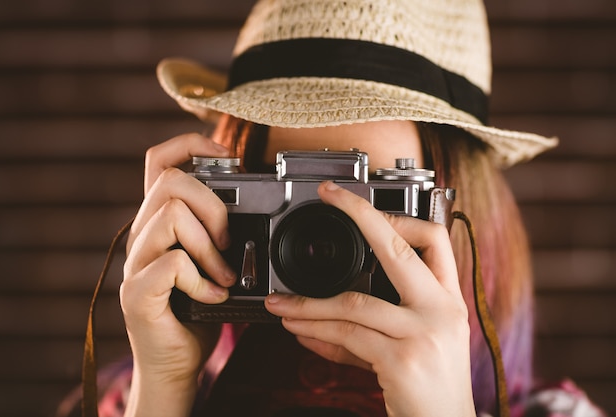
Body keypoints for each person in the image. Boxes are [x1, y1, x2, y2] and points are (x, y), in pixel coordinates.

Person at [59, 0, 607, 416]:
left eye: (368, 198)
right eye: (284, 192)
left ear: (449, 206)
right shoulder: (121, 402)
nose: (316, 240)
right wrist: (164, 388)